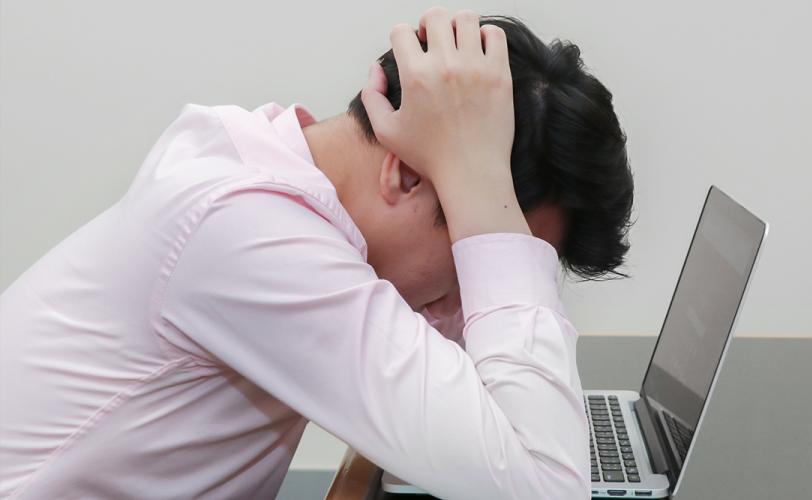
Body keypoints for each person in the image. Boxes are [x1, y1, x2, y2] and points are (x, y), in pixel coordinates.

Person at [0, 7, 633, 499]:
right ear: (407, 175)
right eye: (480, 235)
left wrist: (474, 187)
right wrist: (480, 186)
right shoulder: (247, 231)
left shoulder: (273, 173)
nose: (473, 290)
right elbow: (545, 483)